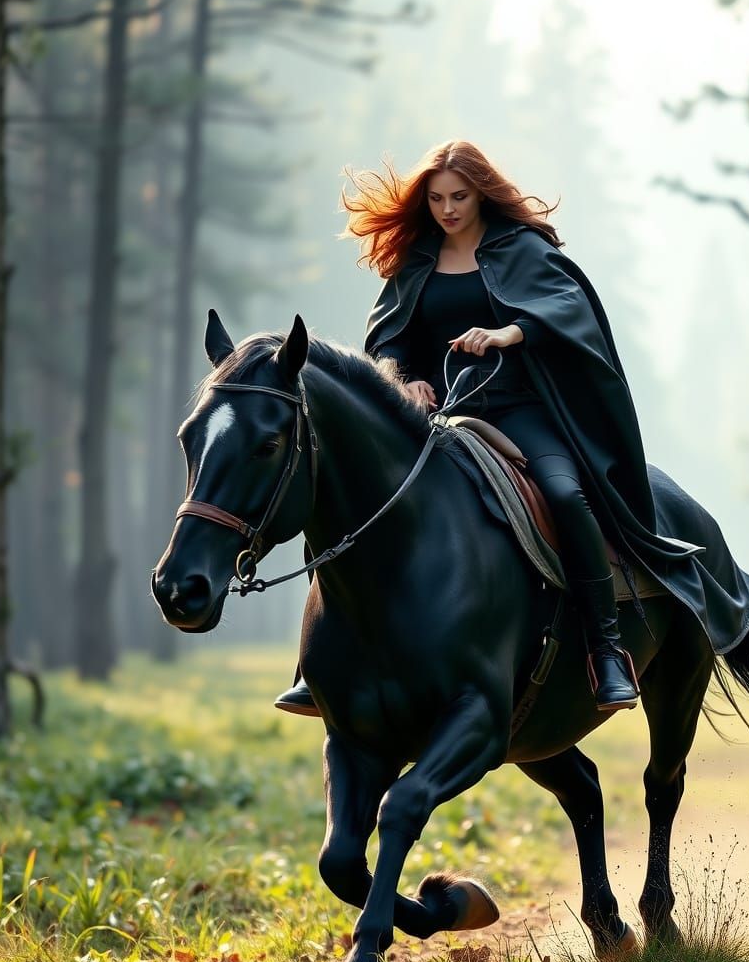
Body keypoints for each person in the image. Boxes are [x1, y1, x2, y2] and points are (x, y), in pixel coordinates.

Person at [277, 139, 656, 717]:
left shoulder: (521, 249)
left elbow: (568, 311)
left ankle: (605, 650)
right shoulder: (417, 261)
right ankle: (317, 662)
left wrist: (509, 332)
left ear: (481, 193)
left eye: (459, 196)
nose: (448, 208)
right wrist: (405, 380)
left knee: (563, 493)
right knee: (336, 485)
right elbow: (389, 338)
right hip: (436, 415)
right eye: (436, 198)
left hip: (520, 409)